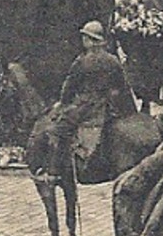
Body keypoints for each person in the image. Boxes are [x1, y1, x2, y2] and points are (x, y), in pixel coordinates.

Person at [48, 21, 134, 175]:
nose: (83, 41)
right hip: (110, 108)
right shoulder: (113, 60)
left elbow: (69, 87)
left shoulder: (82, 61)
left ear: (89, 40)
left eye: (84, 38)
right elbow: (123, 87)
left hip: (86, 108)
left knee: (58, 129)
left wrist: (62, 104)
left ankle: (54, 172)